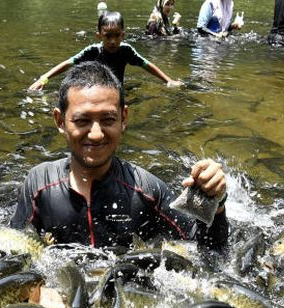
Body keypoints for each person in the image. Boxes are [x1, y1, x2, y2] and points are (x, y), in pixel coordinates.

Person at [13, 61, 228, 253]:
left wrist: (215, 202)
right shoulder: (39, 185)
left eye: (108, 119)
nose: (96, 134)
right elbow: (12, 251)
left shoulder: (147, 190)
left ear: (123, 118)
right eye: (81, 121)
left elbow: (207, 250)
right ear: (60, 121)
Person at [28, 12, 182, 91]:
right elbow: (68, 63)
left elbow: (147, 65)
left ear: (123, 35)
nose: (113, 41)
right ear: (99, 36)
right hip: (95, 90)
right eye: (108, 36)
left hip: (116, 91)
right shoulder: (93, 51)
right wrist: (44, 79)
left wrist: (169, 80)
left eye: (117, 36)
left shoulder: (126, 51)